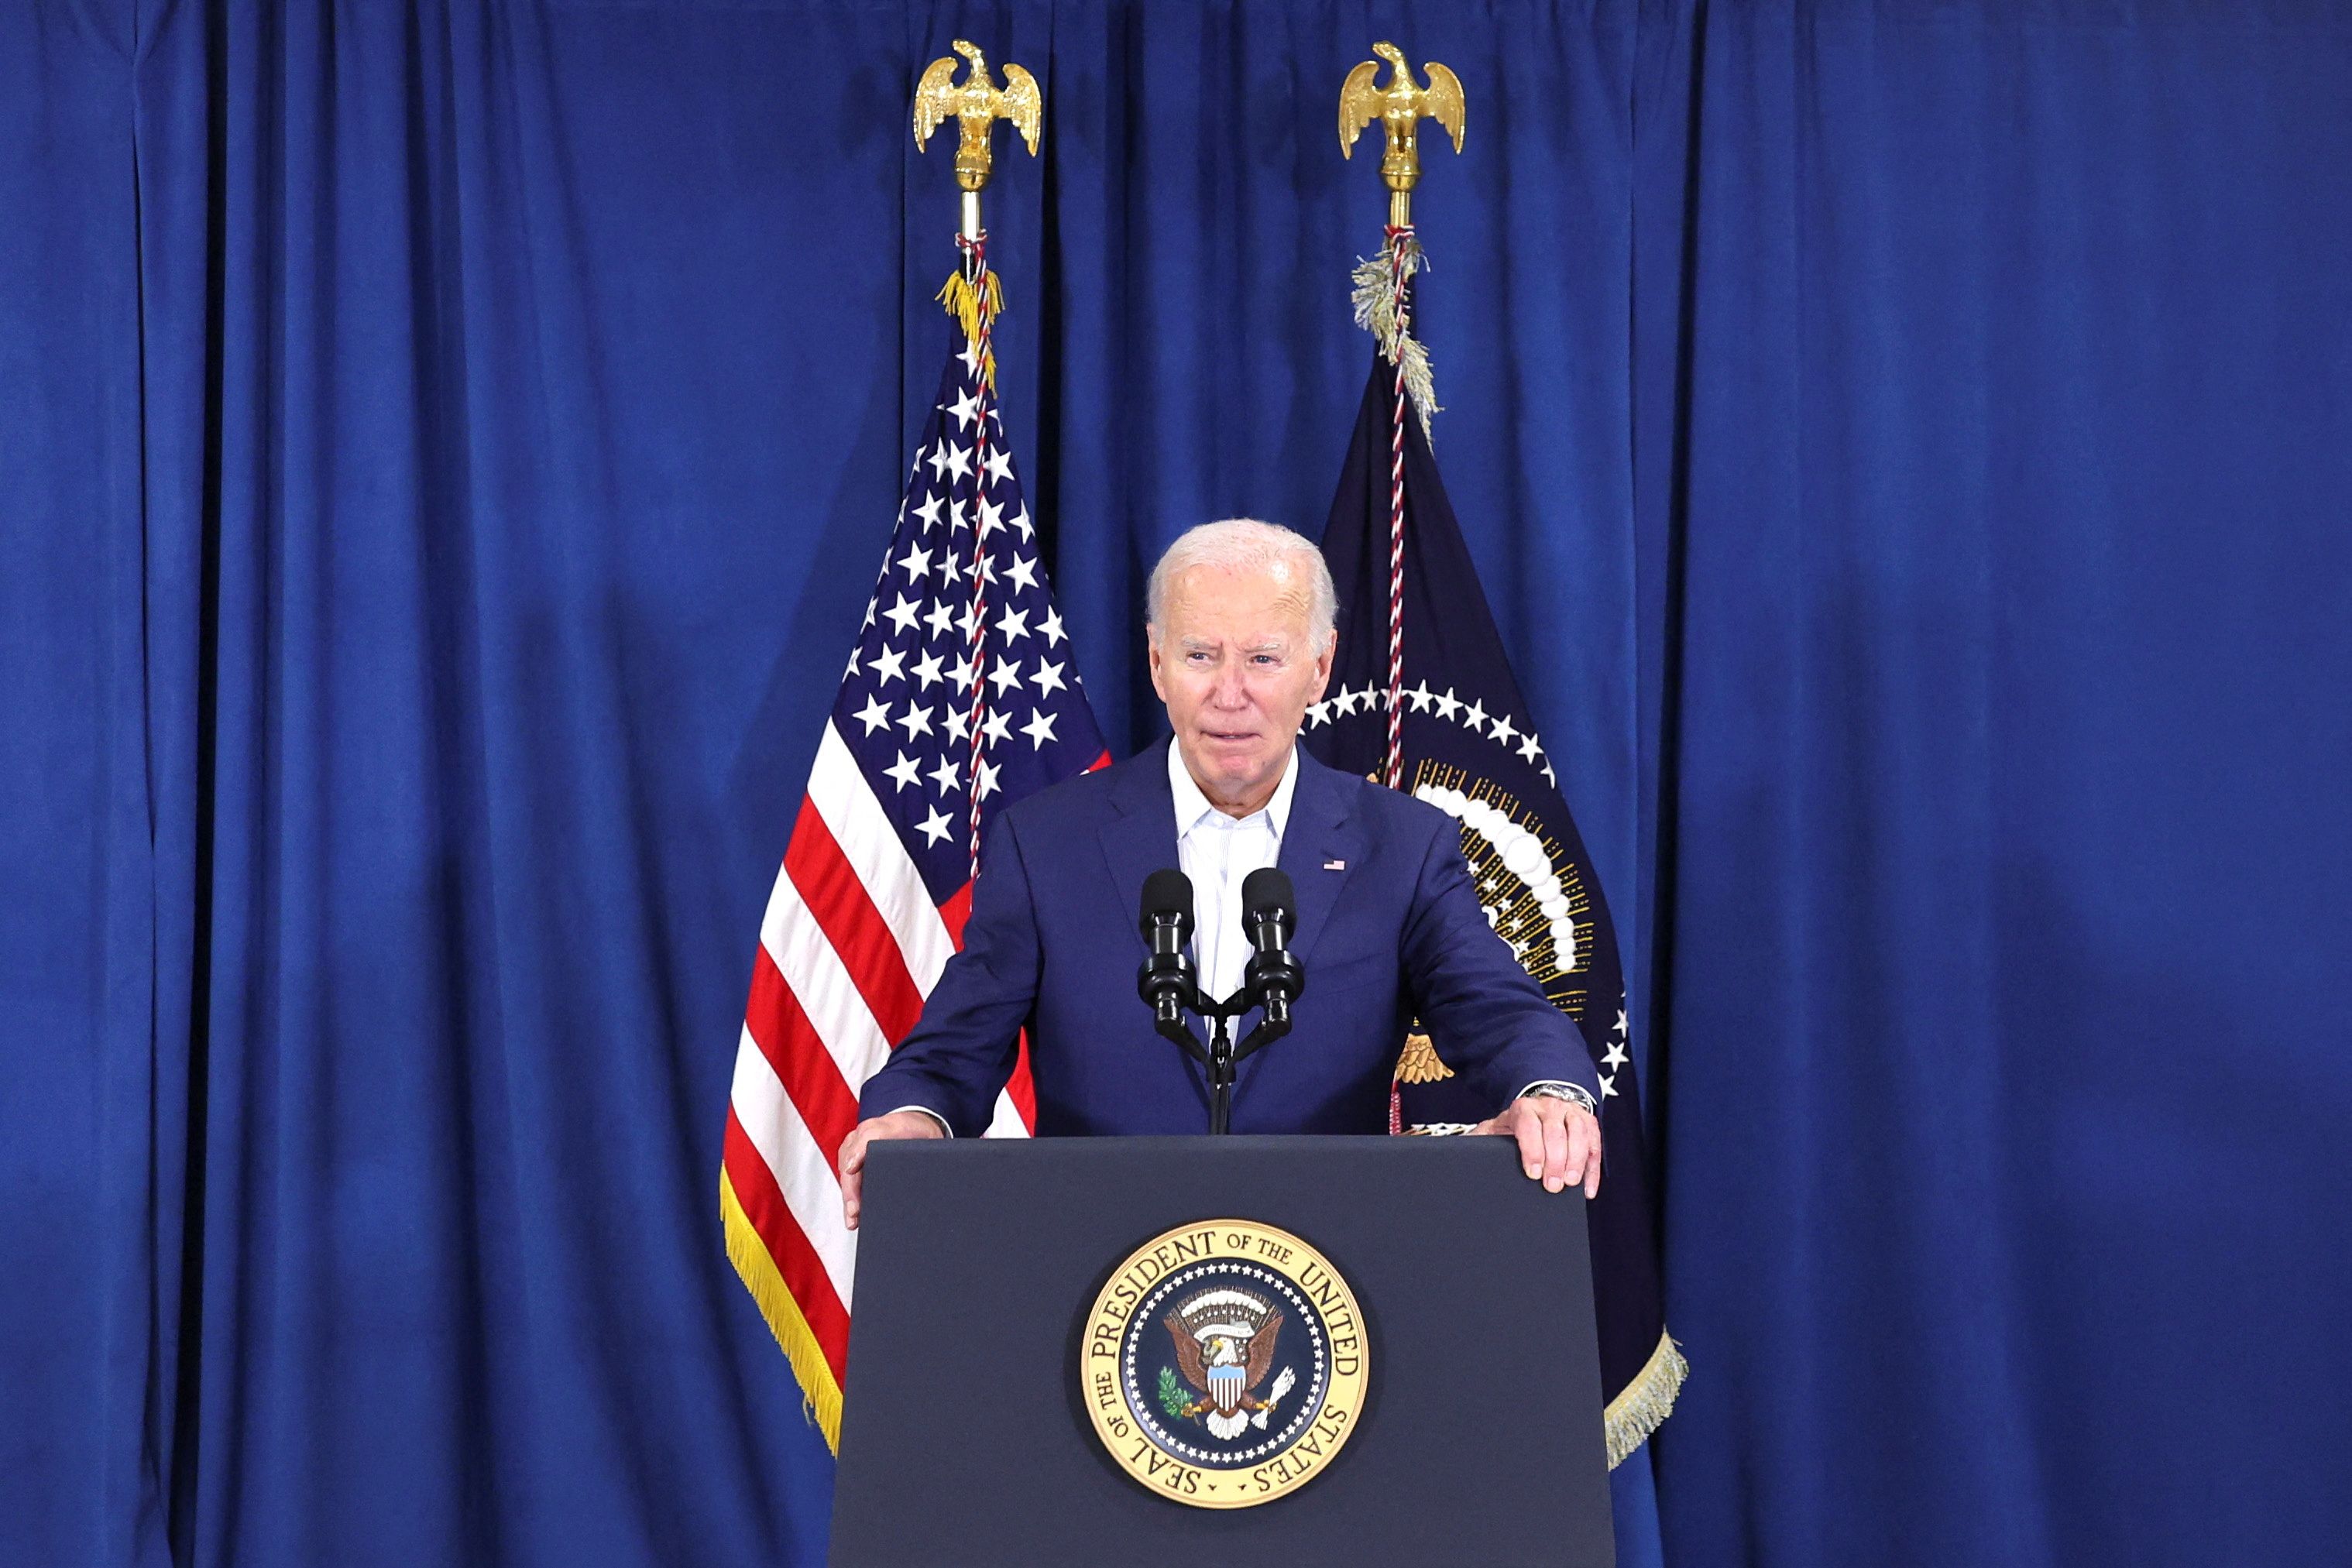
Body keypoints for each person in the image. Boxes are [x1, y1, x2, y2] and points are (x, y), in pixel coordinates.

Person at [840, 519, 1602, 1228]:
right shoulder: (1046, 844)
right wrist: (910, 1116)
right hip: (1098, 1261)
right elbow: (953, 1048)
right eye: (1200, 655)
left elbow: (1498, 1011)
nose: (1229, 694)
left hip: (1325, 1259)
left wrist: (1548, 1091)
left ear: (1319, 668)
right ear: (1157, 663)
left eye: (1263, 659)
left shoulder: (1402, 846)